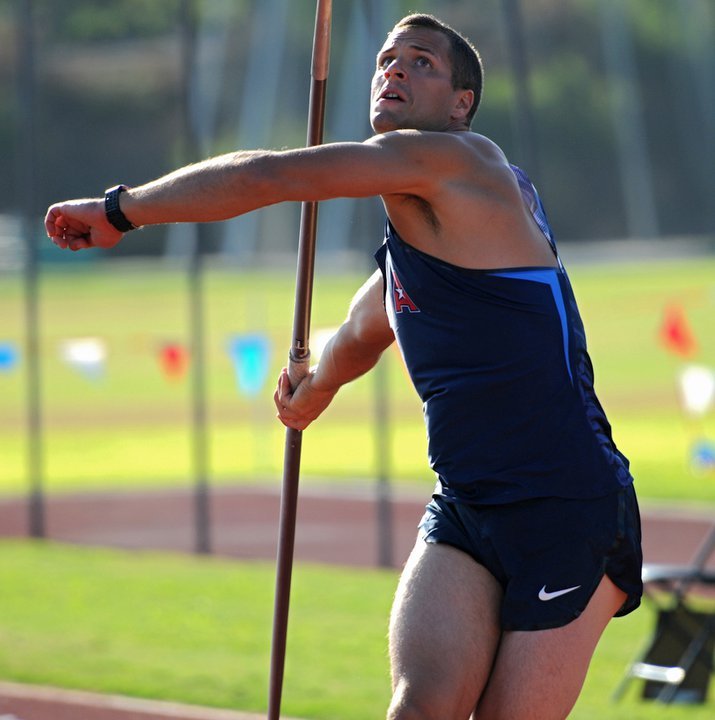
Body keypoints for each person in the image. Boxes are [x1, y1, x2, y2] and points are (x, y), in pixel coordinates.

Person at [45, 13, 642, 719]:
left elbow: (269, 175)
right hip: (467, 505)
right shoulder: (419, 241)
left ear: (460, 104)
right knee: (418, 709)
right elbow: (366, 326)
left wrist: (122, 209)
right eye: (387, 59)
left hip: (566, 509)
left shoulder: (462, 163)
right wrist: (317, 384)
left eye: (420, 62)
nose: (393, 69)